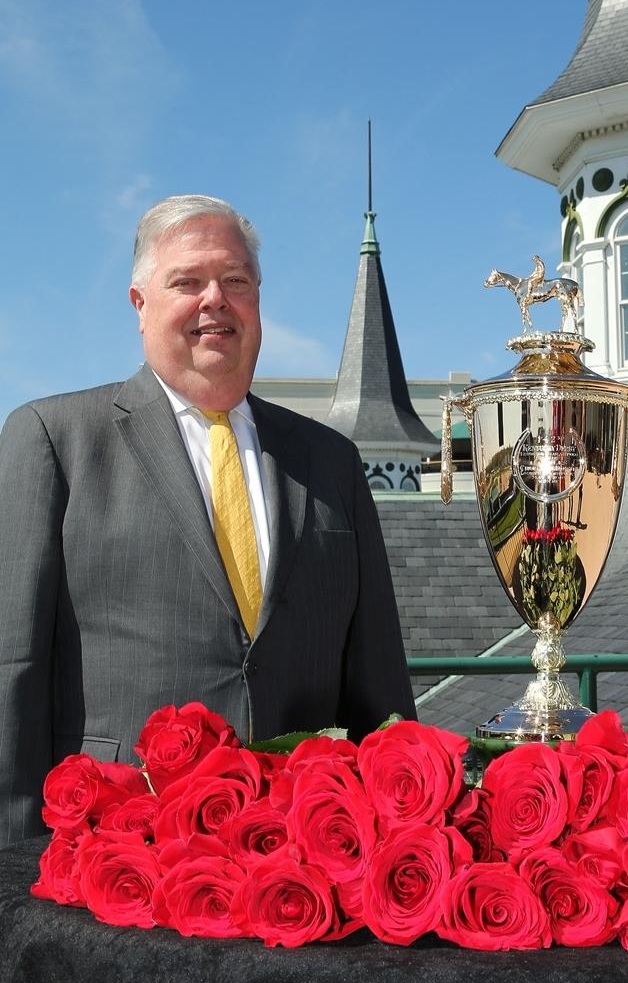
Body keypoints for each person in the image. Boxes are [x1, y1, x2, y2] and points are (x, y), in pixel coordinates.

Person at [0, 194, 415, 847]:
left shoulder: (331, 460)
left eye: (236, 281)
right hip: (118, 852)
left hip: (301, 852)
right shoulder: (56, 439)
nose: (215, 299)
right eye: (187, 282)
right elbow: (13, 668)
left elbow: (378, 680)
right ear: (141, 305)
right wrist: (15, 865)